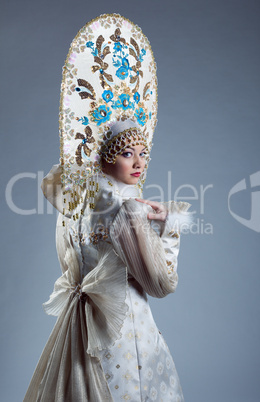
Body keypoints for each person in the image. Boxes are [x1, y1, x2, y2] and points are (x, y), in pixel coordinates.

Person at [24, 14, 191, 401]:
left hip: (81, 321)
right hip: (125, 325)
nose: (138, 163)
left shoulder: (76, 197)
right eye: (126, 153)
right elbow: (161, 282)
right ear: (105, 158)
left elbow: (72, 263)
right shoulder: (127, 210)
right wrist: (171, 225)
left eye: (142, 153)